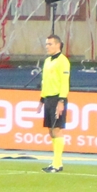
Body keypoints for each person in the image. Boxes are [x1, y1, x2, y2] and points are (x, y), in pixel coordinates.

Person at [40, 34, 71, 173]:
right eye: (46, 44)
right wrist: (42, 99)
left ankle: (57, 164)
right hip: (48, 99)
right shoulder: (47, 61)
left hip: (57, 98)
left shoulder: (63, 61)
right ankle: (56, 162)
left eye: (50, 44)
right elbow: (45, 81)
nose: (47, 46)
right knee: (51, 130)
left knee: (57, 130)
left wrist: (61, 101)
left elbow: (65, 82)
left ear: (58, 45)